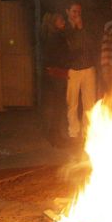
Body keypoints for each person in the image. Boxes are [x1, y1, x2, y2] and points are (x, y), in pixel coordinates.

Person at [64, 1, 98, 141]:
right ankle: (73, 131)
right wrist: (75, 29)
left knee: (89, 103)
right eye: (74, 11)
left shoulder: (85, 27)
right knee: (72, 103)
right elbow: (70, 47)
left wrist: (81, 27)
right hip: (72, 70)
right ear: (68, 12)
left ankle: (87, 132)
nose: (77, 14)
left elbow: (91, 44)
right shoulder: (64, 28)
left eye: (79, 12)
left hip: (88, 68)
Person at [40, 12, 71, 147]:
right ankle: (55, 137)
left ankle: (56, 136)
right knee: (57, 107)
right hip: (56, 75)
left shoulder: (54, 36)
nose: (63, 22)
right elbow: (58, 56)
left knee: (56, 107)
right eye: (60, 20)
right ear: (54, 23)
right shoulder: (55, 37)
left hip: (57, 74)